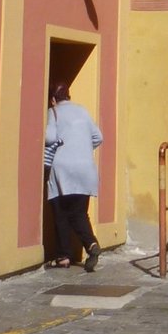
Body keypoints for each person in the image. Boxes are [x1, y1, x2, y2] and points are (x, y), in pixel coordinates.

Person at [44, 82, 103, 271]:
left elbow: (50, 138)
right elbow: (98, 137)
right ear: (68, 96)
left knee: (60, 212)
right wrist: (83, 149)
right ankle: (90, 245)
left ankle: (64, 256)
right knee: (79, 212)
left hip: (63, 169)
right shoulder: (82, 111)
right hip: (85, 168)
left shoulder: (53, 112)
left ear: (53, 99)